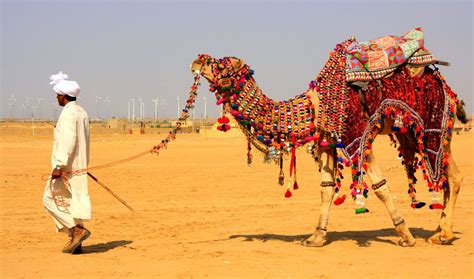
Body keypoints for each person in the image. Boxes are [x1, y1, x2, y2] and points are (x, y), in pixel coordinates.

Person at [43, 71, 91, 254]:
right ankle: (76, 242)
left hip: (67, 168)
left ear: (63, 96)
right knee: (72, 203)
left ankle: (76, 231)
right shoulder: (82, 112)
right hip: (78, 166)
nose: (56, 98)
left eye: (57, 95)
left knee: (49, 199)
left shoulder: (68, 114)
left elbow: (68, 140)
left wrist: (59, 165)